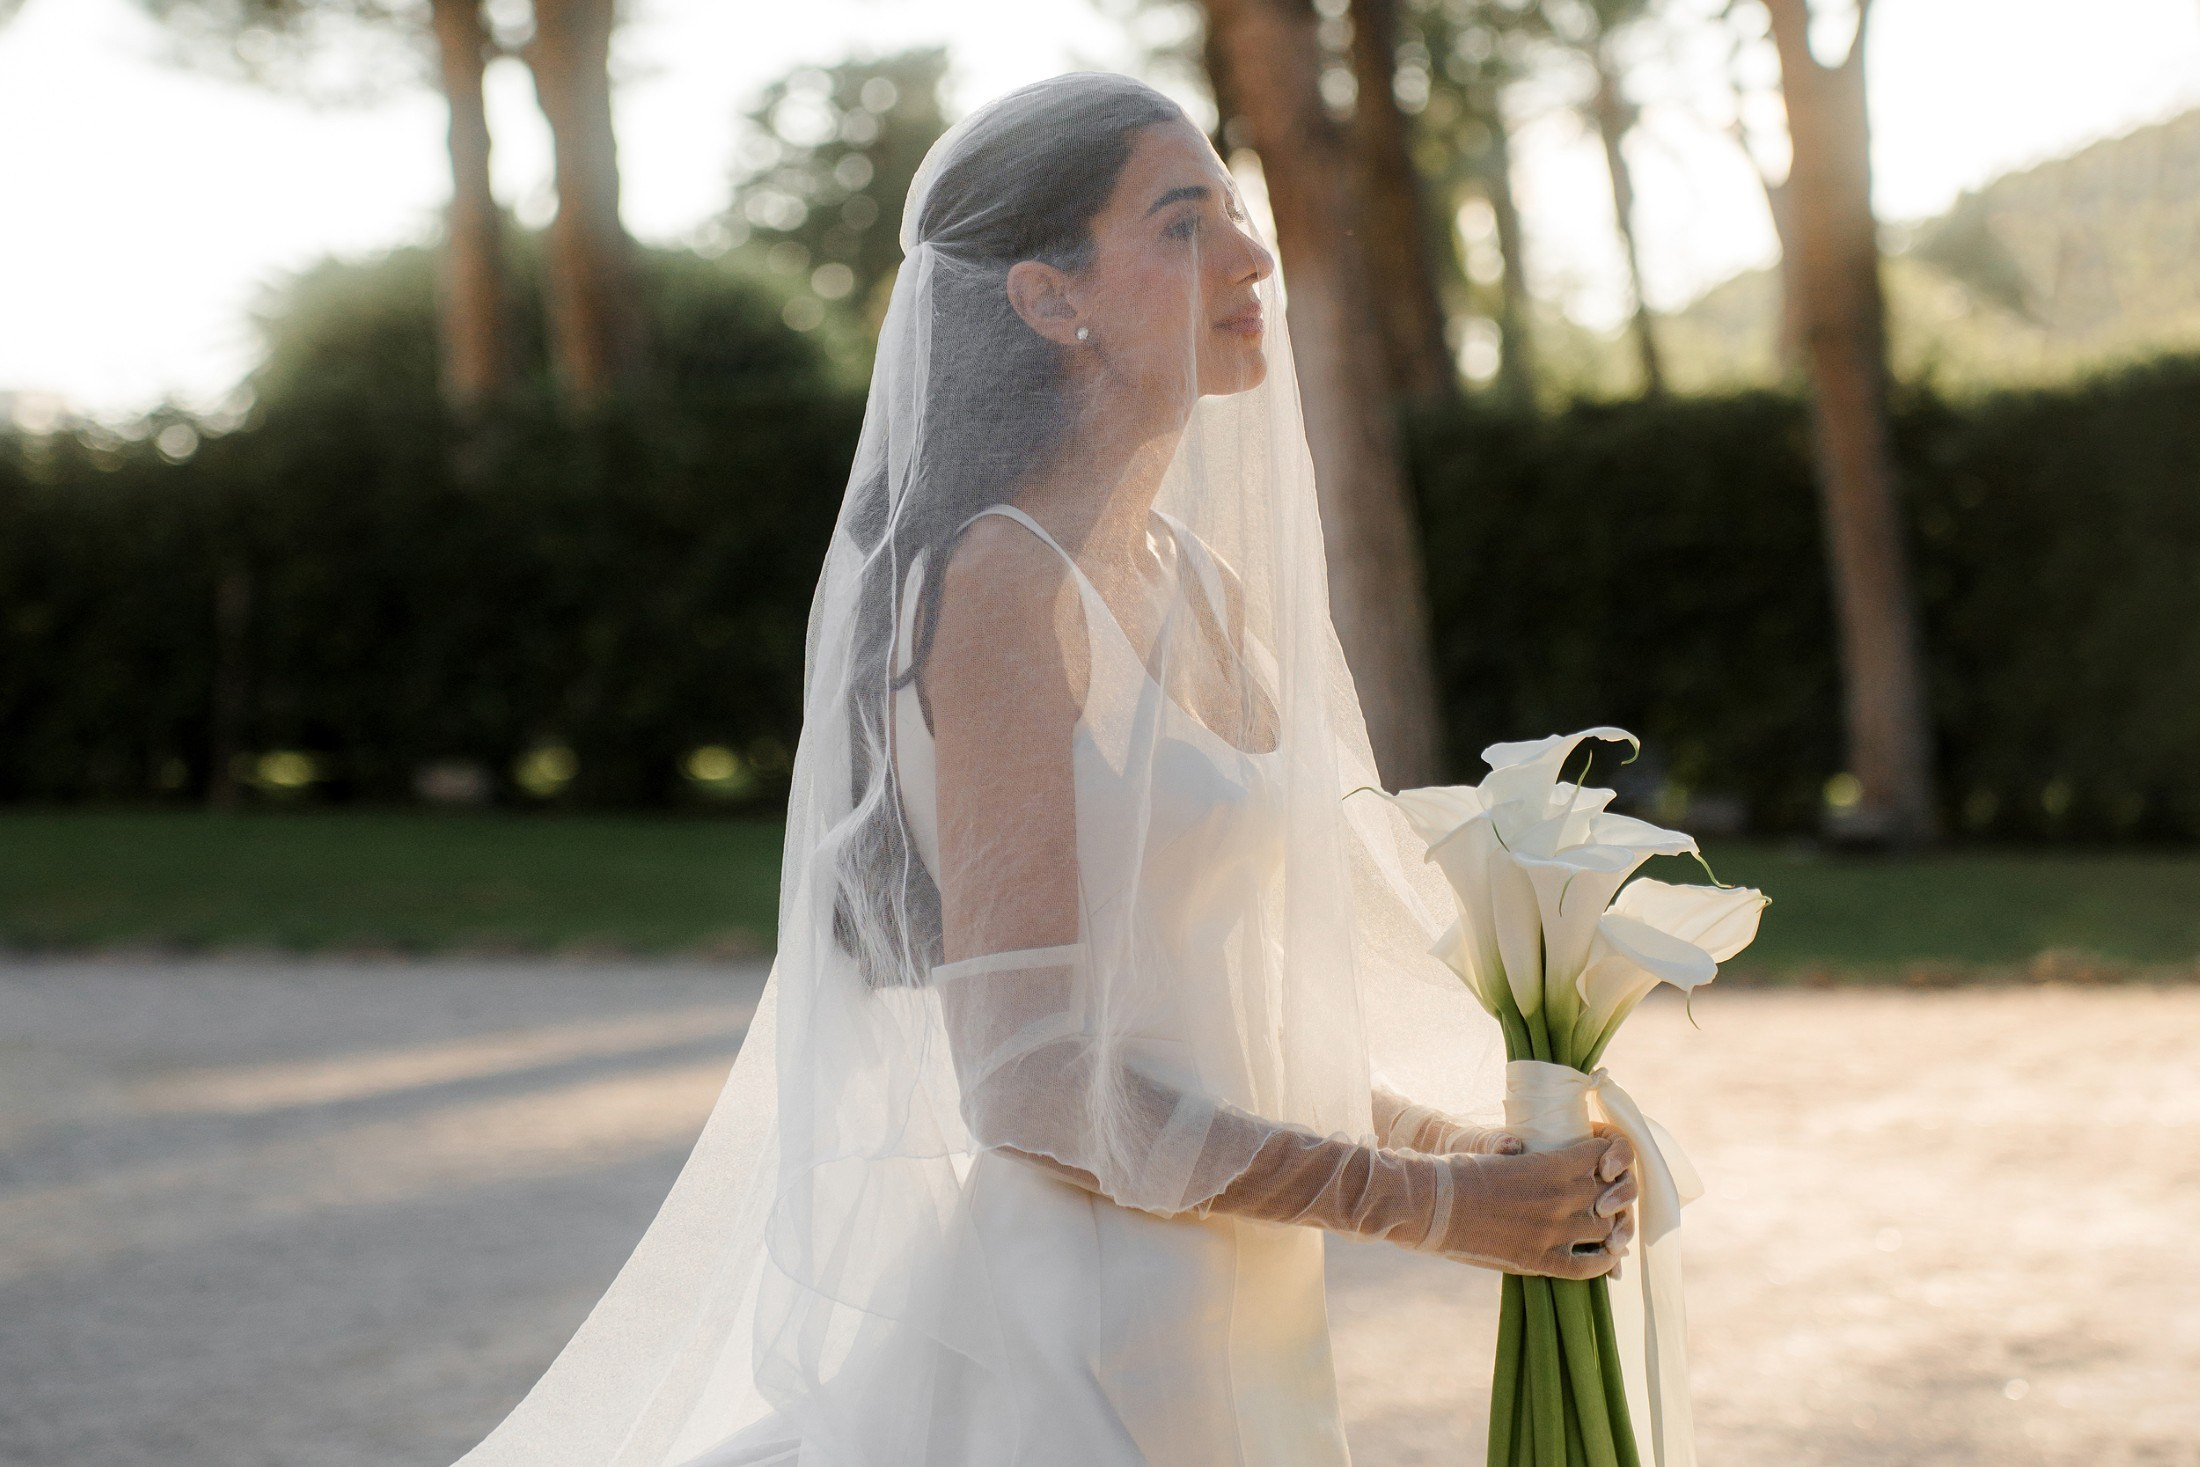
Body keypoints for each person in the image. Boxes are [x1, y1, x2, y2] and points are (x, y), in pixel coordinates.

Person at [454, 72, 1634, 1467]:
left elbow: (1219, 1027)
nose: (1254, 258)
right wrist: (1418, 1208)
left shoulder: (1199, 587)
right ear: (1047, 297)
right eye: (1186, 223)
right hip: (1078, 1337)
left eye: (1241, 215)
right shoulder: (1005, 585)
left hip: (1242, 1311)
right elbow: (1029, 1079)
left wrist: (1460, 1154)